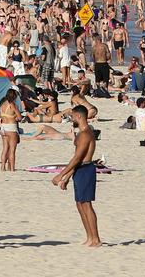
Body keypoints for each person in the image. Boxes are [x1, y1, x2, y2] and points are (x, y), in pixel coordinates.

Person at [52, 104, 101, 247]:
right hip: (79, 170)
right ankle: (90, 237)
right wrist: (67, 177)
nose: (71, 118)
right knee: (80, 205)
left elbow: (78, 158)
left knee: (86, 204)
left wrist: (60, 175)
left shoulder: (86, 134)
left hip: (85, 170)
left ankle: (96, 239)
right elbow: (77, 158)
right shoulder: (81, 133)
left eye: (72, 116)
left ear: (79, 116)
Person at [0, 89, 21, 172]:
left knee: (5, 149)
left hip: (3, 127)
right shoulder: (13, 105)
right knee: (12, 149)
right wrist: (14, 116)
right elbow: (19, 117)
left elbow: (1, 115)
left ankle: (2, 167)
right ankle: (12, 168)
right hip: (11, 127)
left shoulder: (2, 104)